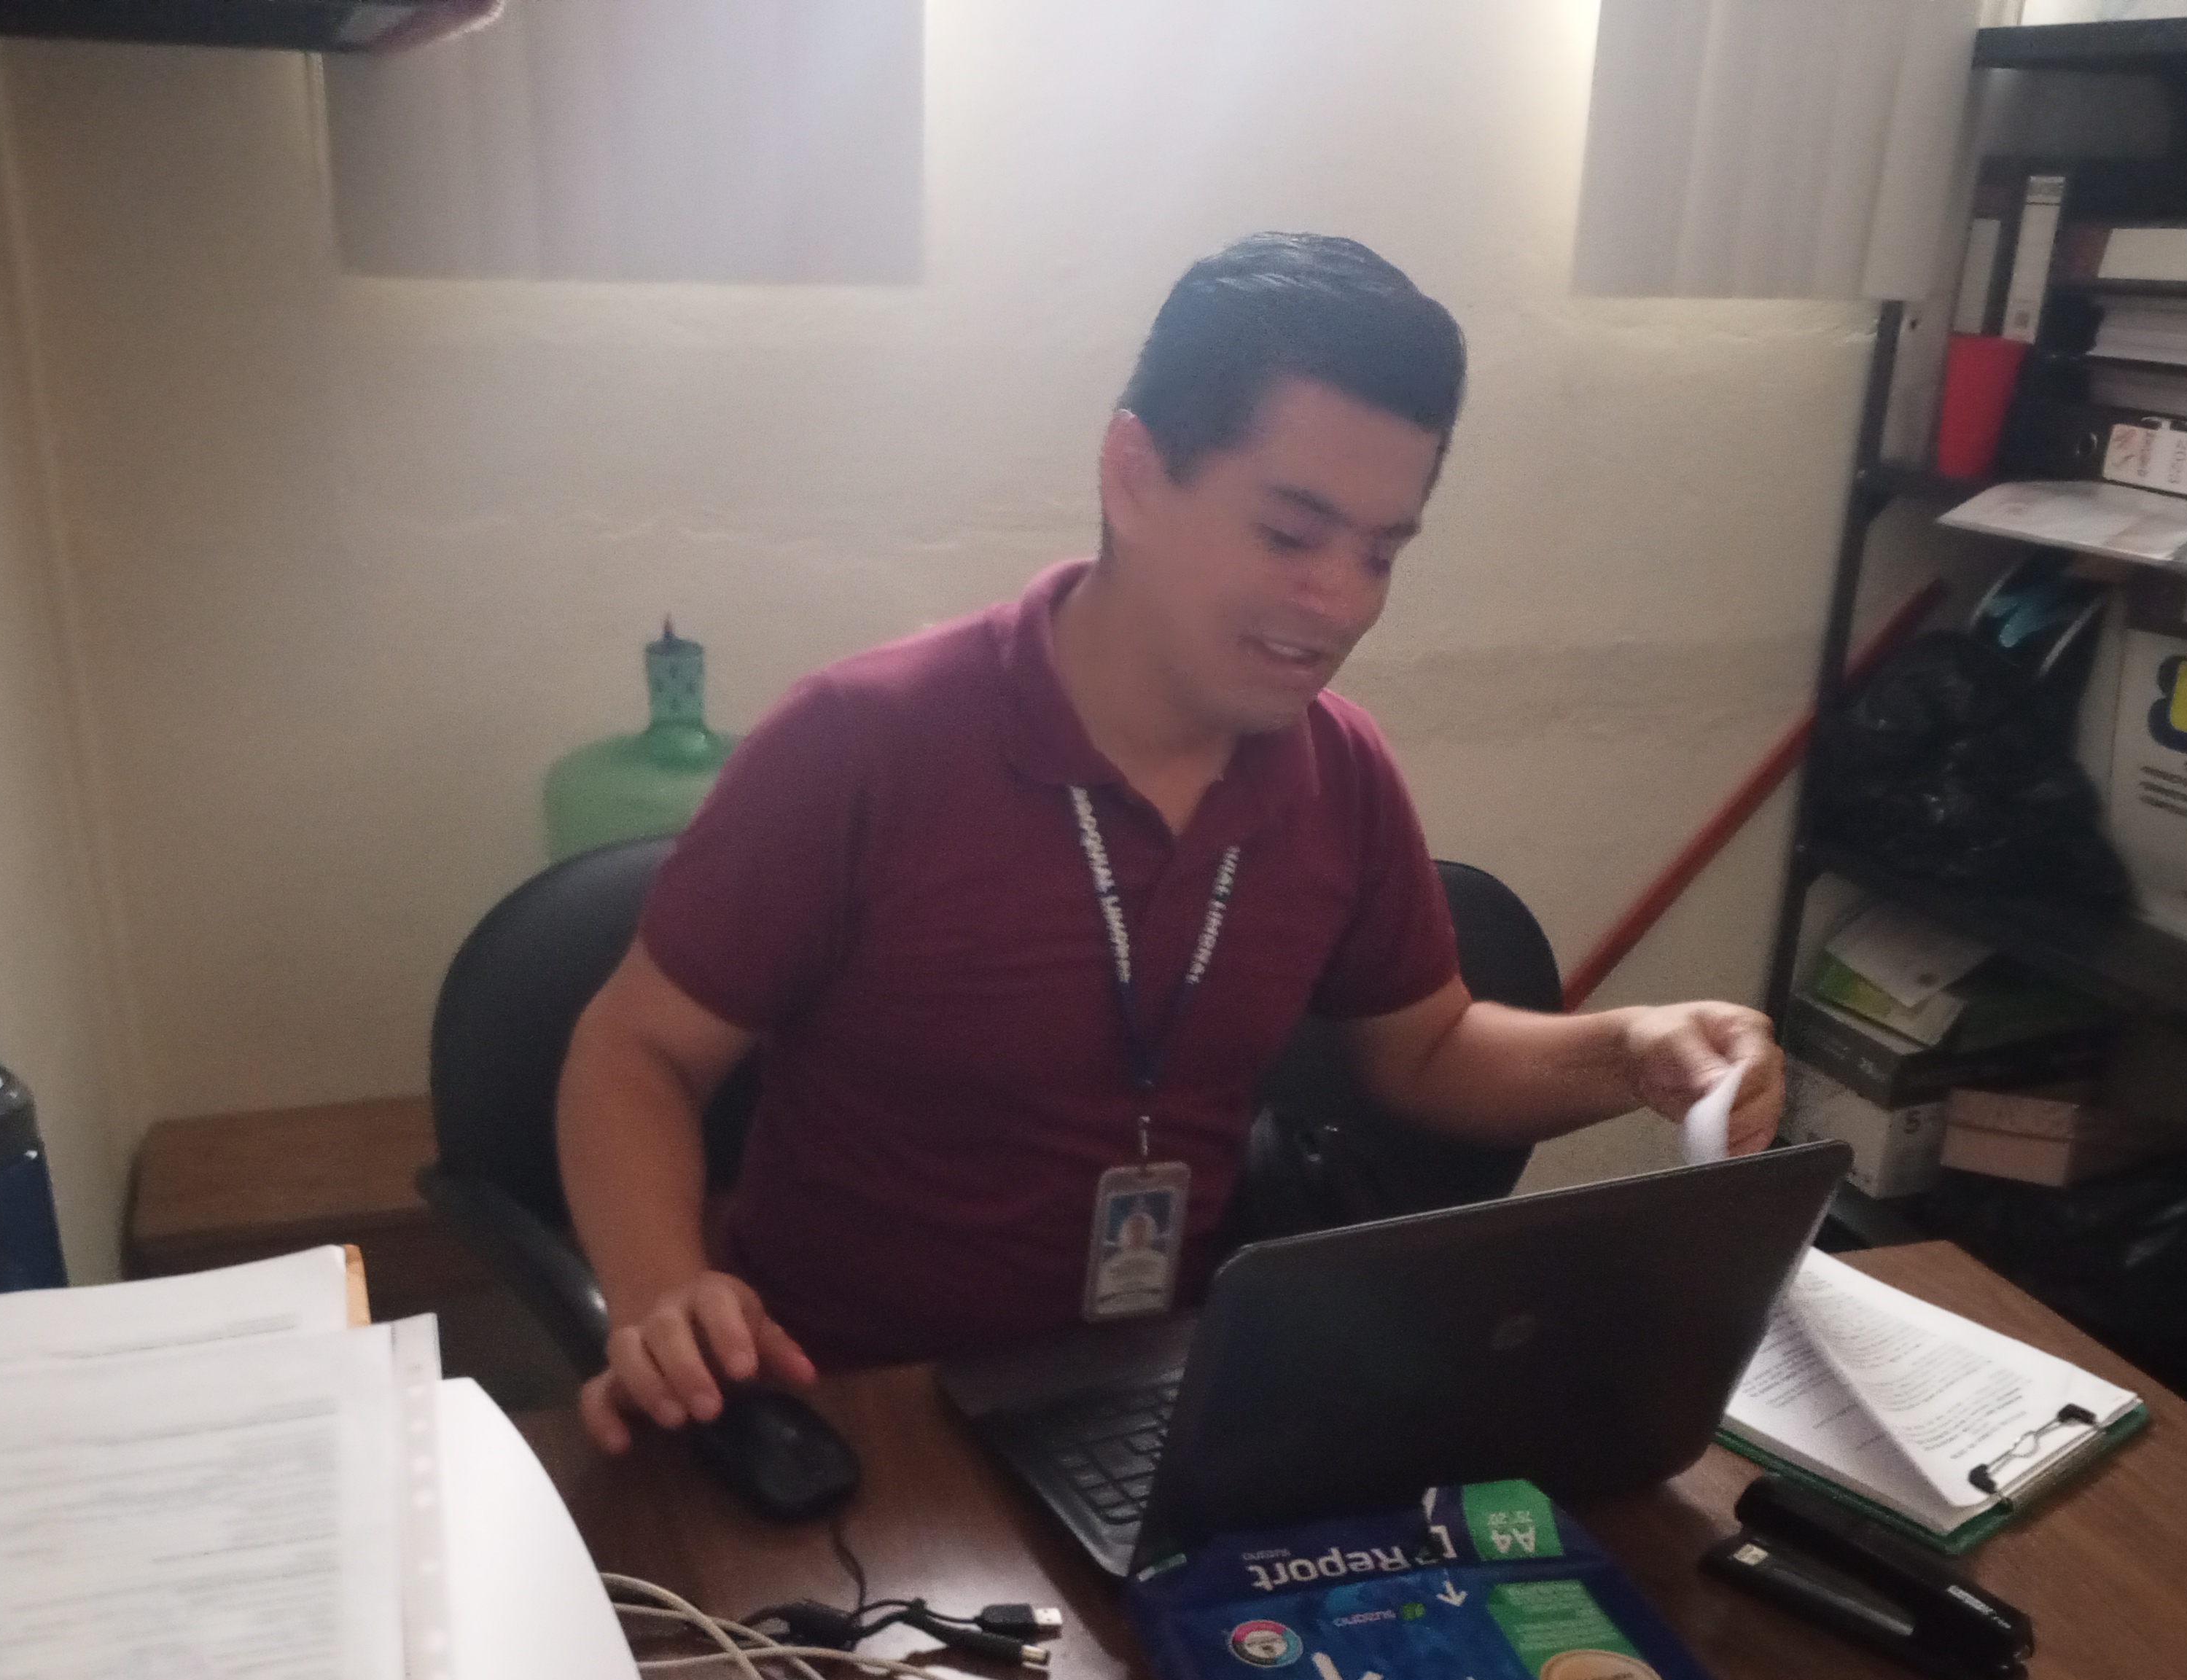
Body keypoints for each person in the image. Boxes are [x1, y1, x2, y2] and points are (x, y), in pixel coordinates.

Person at [560, 233, 1785, 1454]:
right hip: (859, 1412)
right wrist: (660, 1290)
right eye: (1291, 535)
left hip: (1164, 1398)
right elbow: (634, 1052)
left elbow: (1426, 1050)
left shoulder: (1338, 769)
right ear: (1135, 476)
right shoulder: (862, 743)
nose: (1341, 602)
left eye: (1381, 553)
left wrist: (1633, 1051)